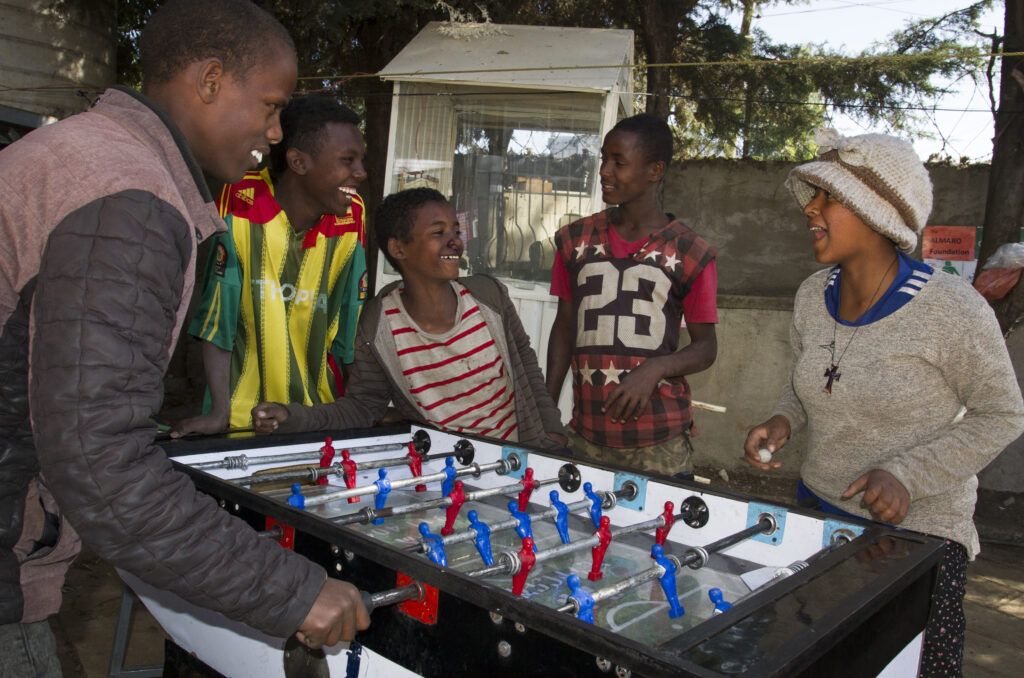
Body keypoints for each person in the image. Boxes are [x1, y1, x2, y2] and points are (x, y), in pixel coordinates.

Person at [0, 1, 367, 672]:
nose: (276, 131)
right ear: (209, 80)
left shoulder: (90, 155)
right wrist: (293, 590)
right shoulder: (129, 199)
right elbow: (100, 460)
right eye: (270, 106)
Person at [743, 128, 1024, 676]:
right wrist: (783, 419)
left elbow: (1003, 413)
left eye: (829, 197)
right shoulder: (810, 295)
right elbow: (807, 381)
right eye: (813, 195)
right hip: (819, 521)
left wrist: (906, 475)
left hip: (916, 545)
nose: (811, 210)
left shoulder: (952, 309)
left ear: (879, 215)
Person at [252, 188, 567, 450]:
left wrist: (552, 435)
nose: (454, 241)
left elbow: (527, 368)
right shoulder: (379, 326)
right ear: (398, 248)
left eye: (456, 231)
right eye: (438, 232)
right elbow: (361, 407)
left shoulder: (489, 297)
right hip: (446, 477)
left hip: (515, 465)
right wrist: (291, 417)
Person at [174, 93, 368, 436]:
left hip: (316, 417)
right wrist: (220, 411)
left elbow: (349, 328)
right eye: (348, 160)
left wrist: (358, 409)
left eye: (360, 160)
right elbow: (218, 318)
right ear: (298, 162)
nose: (361, 173)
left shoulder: (353, 217)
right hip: (240, 420)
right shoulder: (239, 202)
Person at [545, 113, 718, 477]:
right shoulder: (574, 240)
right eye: (603, 159)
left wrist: (656, 369)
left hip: (659, 442)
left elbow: (706, 347)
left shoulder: (690, 251)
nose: (605, 171)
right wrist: (547, 412)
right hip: (587, 434)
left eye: (618, 162)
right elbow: (564, 328)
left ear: (655, 171)